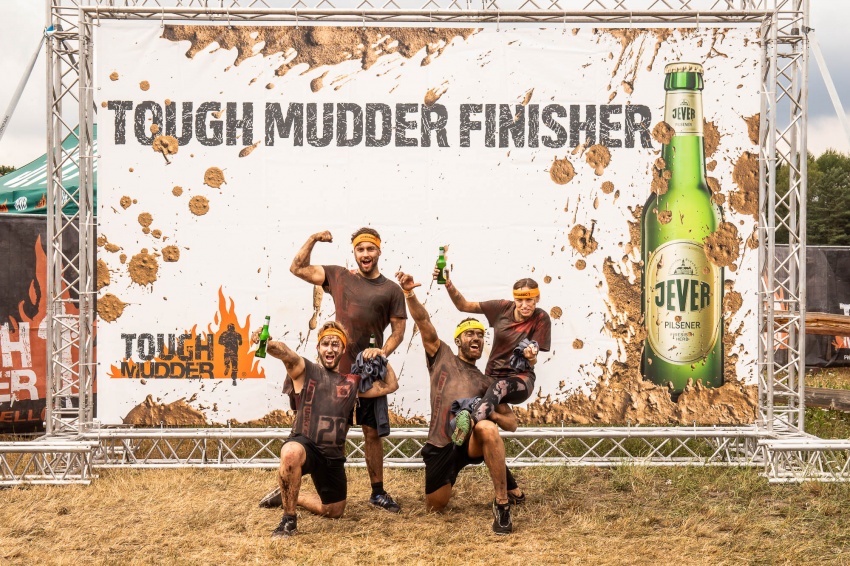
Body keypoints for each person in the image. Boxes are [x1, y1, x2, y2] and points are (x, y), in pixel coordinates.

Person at [396, 270, 524, 535]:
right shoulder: (442, 356)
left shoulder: (487, 381)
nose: (476, 338)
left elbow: (511, 424)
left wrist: (486, 412)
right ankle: (509, 482)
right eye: (469, 334)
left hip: (470, 443)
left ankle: (502, 504)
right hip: (441, 445)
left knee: (487, 429)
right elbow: (423, 321)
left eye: (480, 335)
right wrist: (409, 293)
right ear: (458, 340)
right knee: (435, 507)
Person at [288, 227, 407, 512]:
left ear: (379, 251)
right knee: (330, 433)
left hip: (368, 373)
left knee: (372, 433)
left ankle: (377, 493)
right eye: (360, 249)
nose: (365, 254)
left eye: (370, 248)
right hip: (336, 372)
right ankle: (311, 488)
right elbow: (297, 268)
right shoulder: (340, 276)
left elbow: (399, 332)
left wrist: (382, 352)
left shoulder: (391, 290)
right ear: (354, 252)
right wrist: (313, 238)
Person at [253, 320, 399, 538]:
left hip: (332, 456)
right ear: (318, 348)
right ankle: (288, 520)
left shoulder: (352, 383)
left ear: (343, 349)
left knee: (334, 510)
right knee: (290, 452)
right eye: (325, 344)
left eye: (335, 344)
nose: (330, 349)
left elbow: (390, 385)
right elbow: (286, 354)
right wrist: (268, 343)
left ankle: (291, 496)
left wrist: (381, 356)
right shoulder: (306, 370)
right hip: (306, 446)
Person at [438, 259, 551, 446]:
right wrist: (448, 283)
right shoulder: (501, 308)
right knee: (475, 396)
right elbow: (463, 305)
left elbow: (533, 358)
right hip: (491, 379)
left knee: (500, 387)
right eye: (520, 300)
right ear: (514, 299)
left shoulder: (540, 317)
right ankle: (454, 442)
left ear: (537, 299)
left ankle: (466, 425)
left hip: (521, 380)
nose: (524, 305)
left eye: (529, 300)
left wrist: (531, 357)